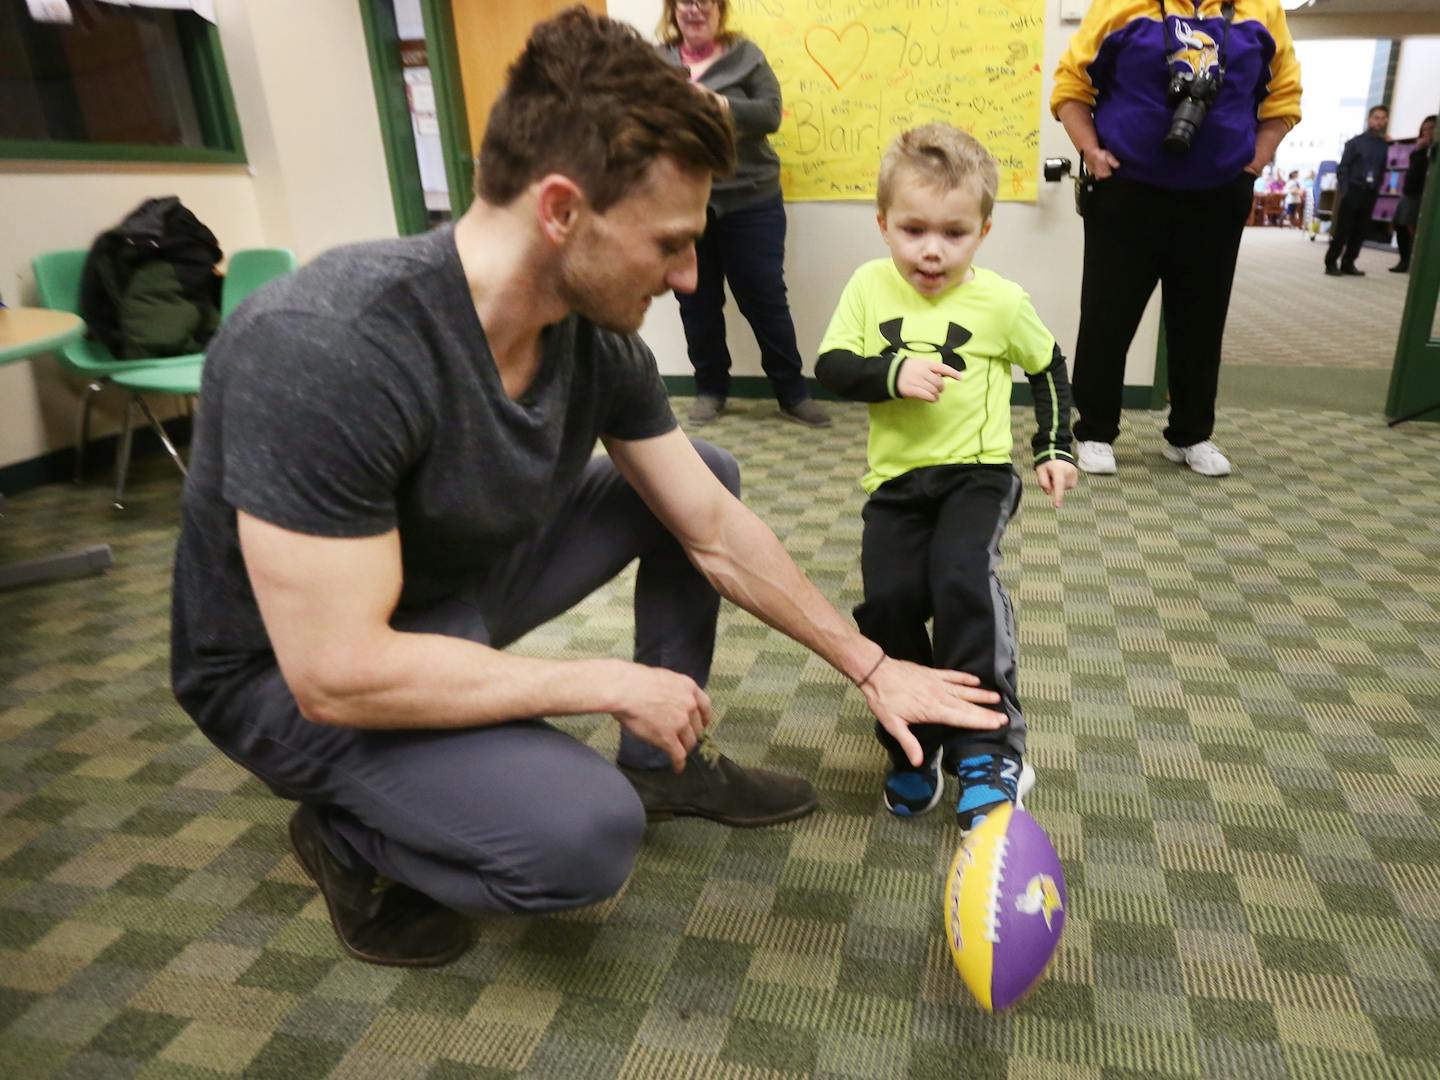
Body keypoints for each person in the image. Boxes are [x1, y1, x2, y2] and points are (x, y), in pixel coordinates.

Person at [168, 9, 1007, 968]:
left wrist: (869, 663)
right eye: (670, 244)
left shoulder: (594, 338)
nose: (691, 278)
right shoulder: (328, 347)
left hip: (439, 593)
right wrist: (605, 681)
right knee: (580, 841)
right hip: (290, 679)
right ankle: (344, 838)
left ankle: (666, 770)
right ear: (562, 210)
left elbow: (713, 527)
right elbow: (337, 672)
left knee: (708, 473)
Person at [815, 124, 1078, 833]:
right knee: (891, 604)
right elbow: (832, 368)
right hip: (896, 484)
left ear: (984, 231)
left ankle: (991, 749)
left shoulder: (1000, 301)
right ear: (884, 224)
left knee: (961, 578)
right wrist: (891, 373)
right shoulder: (869, 287)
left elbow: (1048, 363)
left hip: (977, 476)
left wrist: (1055, 447)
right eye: (914, 229)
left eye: (955, 233)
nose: (932, 250)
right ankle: (915, 742)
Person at [1052, 0, 1301, 479]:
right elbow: (1070, 86)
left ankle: (1191, 434)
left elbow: (1284, 99)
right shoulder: (1120, 6)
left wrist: (1256, 162)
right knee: (1108, 314)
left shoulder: (1261, 11)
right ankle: (1095, 431)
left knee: (1201, 321)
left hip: (1216, 197)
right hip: (1126, 192)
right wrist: (1092, 152)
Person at [655, 0, 830, 428]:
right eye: (684, 2)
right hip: (684, 202)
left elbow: (770, 114)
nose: (694, 10)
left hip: (751, 199)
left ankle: (791, 392)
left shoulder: (746, 56)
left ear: (720, 9)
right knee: (695, 300)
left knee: (765, 298)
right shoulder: (656, 61)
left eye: (705, 2)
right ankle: (710, 389)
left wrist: (718, 105)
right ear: (673, 10)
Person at [1325, 105, 1390, 277]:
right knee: (1343, 228)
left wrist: (1378, 187)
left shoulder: (1384, 145)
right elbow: (1342, 168)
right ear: (1369, 119)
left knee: (1361, 230)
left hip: (1370, 192)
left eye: (1383, 118)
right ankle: (1331, 262)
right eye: (1376, 117)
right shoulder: (1355, 143)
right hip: (1353, 190)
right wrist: (1345, 189)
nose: (1380, 121)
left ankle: (1349, 263)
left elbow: (1383, 169)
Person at [1392, 114, 1435, 274]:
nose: (1426, 132)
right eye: (1424, 128)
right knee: (1399, 224)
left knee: (1414, 228)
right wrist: (1420, 148)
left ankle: (1416, 262)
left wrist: (1427, 147)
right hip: (1409, 192)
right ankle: (1404, 259)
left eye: (1431, 128)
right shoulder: (1420, 147)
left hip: (1422, 194)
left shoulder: (1433, 148)